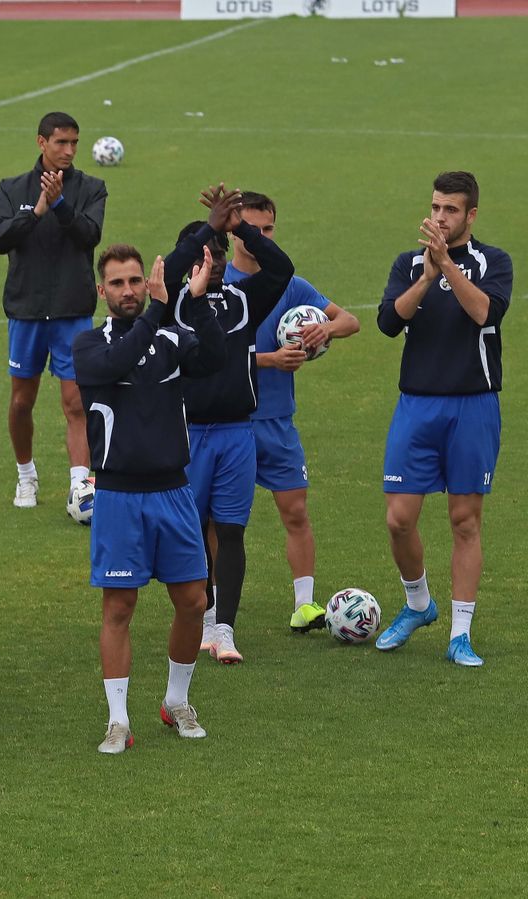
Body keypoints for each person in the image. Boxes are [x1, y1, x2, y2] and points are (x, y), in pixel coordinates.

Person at [72, 244, 226, 754]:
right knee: (119, 606)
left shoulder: (170, 336)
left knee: (193, 601)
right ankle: (118, 719)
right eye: (117, 283)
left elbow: (216, 358)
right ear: (102, 291)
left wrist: (197, 300)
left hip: (174, 493)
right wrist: (162, 309)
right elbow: (122, 357)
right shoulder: (89, 346)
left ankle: (175, 701)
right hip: (118, 497)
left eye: (136, 281)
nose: (129, 291)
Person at [374, 171, 512, 666]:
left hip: (473, 406)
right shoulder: (407, 263)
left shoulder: (493, 262)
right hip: (417, 405)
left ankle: (460, 634)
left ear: (470, 215)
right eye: (435, 207)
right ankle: (418, 605)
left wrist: (448, 267)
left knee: (464, 520)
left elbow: (485, 314)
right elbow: (389, 322)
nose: (439, 217)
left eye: (451, 210)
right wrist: (427, 276)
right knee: (398, 519)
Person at [167, 185, 295, 664]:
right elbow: (171, 264)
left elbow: (282, 269)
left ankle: (225, 630)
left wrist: (239, 226)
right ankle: (201, 617)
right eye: (205, 253)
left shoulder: (243, 301)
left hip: (238, 434)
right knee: (194, 529)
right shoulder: (174, 304)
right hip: (190, 433)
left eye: (219, 253)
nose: (214, 260)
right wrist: (208, 228)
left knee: (232, 530)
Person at [229, 191, 360, 632]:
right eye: (253, 230)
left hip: (278, 421)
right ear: (234, 230)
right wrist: (269, 359)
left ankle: (305, 606)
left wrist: (326, 327)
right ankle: (211, 608)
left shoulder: (290, 284)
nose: (261, 238)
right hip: (230, 422)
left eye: (268, 230)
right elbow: (206, 357)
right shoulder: (217, 284)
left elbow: (351, 321)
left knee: (296, 511)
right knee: (222, 523)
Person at [0, 111, 108, 510]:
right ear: (41, 142)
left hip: (72, 310)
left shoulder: (91, 188)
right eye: (61, 142)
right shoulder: (11, 188)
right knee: (22, 401)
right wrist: (37, 210)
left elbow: (90, 235)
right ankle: (26, 476)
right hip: (27, 310)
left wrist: (60, 207)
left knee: (75, 403)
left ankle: (80, 487)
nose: (69, 150)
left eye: (74, 142)